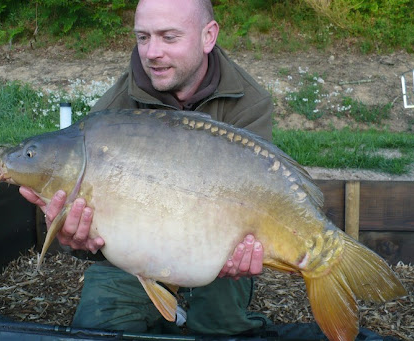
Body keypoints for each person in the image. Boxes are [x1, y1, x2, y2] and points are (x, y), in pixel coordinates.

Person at [20, 0, 274, 335]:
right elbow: (96, 236)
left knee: (221, 327)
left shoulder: (249, 104)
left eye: (169, 37)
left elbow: (262, 199)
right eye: (143, 38)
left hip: (214, 249)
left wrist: (249, 251)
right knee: (96, 328)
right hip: (133, 256)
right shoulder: (110, 114)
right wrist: (77, 241)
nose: (152, 52)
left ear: (208, 36)